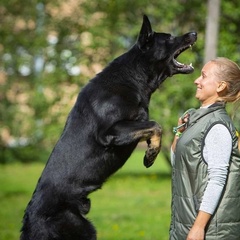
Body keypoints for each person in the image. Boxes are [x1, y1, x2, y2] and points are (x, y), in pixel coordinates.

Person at [169, 57, 240, 240]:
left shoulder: (217, 126)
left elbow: (217, 179)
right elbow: (178, 166)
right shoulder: (198, 120)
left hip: (209, 232)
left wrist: (198, 228)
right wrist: (179, 133)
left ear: (220, 86)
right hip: (185, 221)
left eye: (203, 76)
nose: (196, 80)